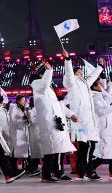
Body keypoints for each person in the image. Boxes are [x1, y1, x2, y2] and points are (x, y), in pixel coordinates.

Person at [30, 60, 77, 182]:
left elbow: (59, 105)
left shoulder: (51, 89)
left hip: (57, 121)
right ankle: (48, 173)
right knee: (51, 149)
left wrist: (70, 114)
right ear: (42, 73)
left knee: (59, 148)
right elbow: (43, 85)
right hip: (48, 122)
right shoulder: (36, 84)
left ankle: (57, 172)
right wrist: (49, 70)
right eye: (46, 72)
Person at [62, 52, 104, 180]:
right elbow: (68, 76)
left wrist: (100, 67)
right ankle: (88, 171)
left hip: (89, 120)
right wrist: (67, 60)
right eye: (79, 71)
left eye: (81, 71)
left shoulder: (85, 83)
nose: (81, 72)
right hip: (81, 120)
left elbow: (93, 76)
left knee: (87, 147)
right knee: (87, 146)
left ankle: (81, 172)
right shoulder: (72, 82)